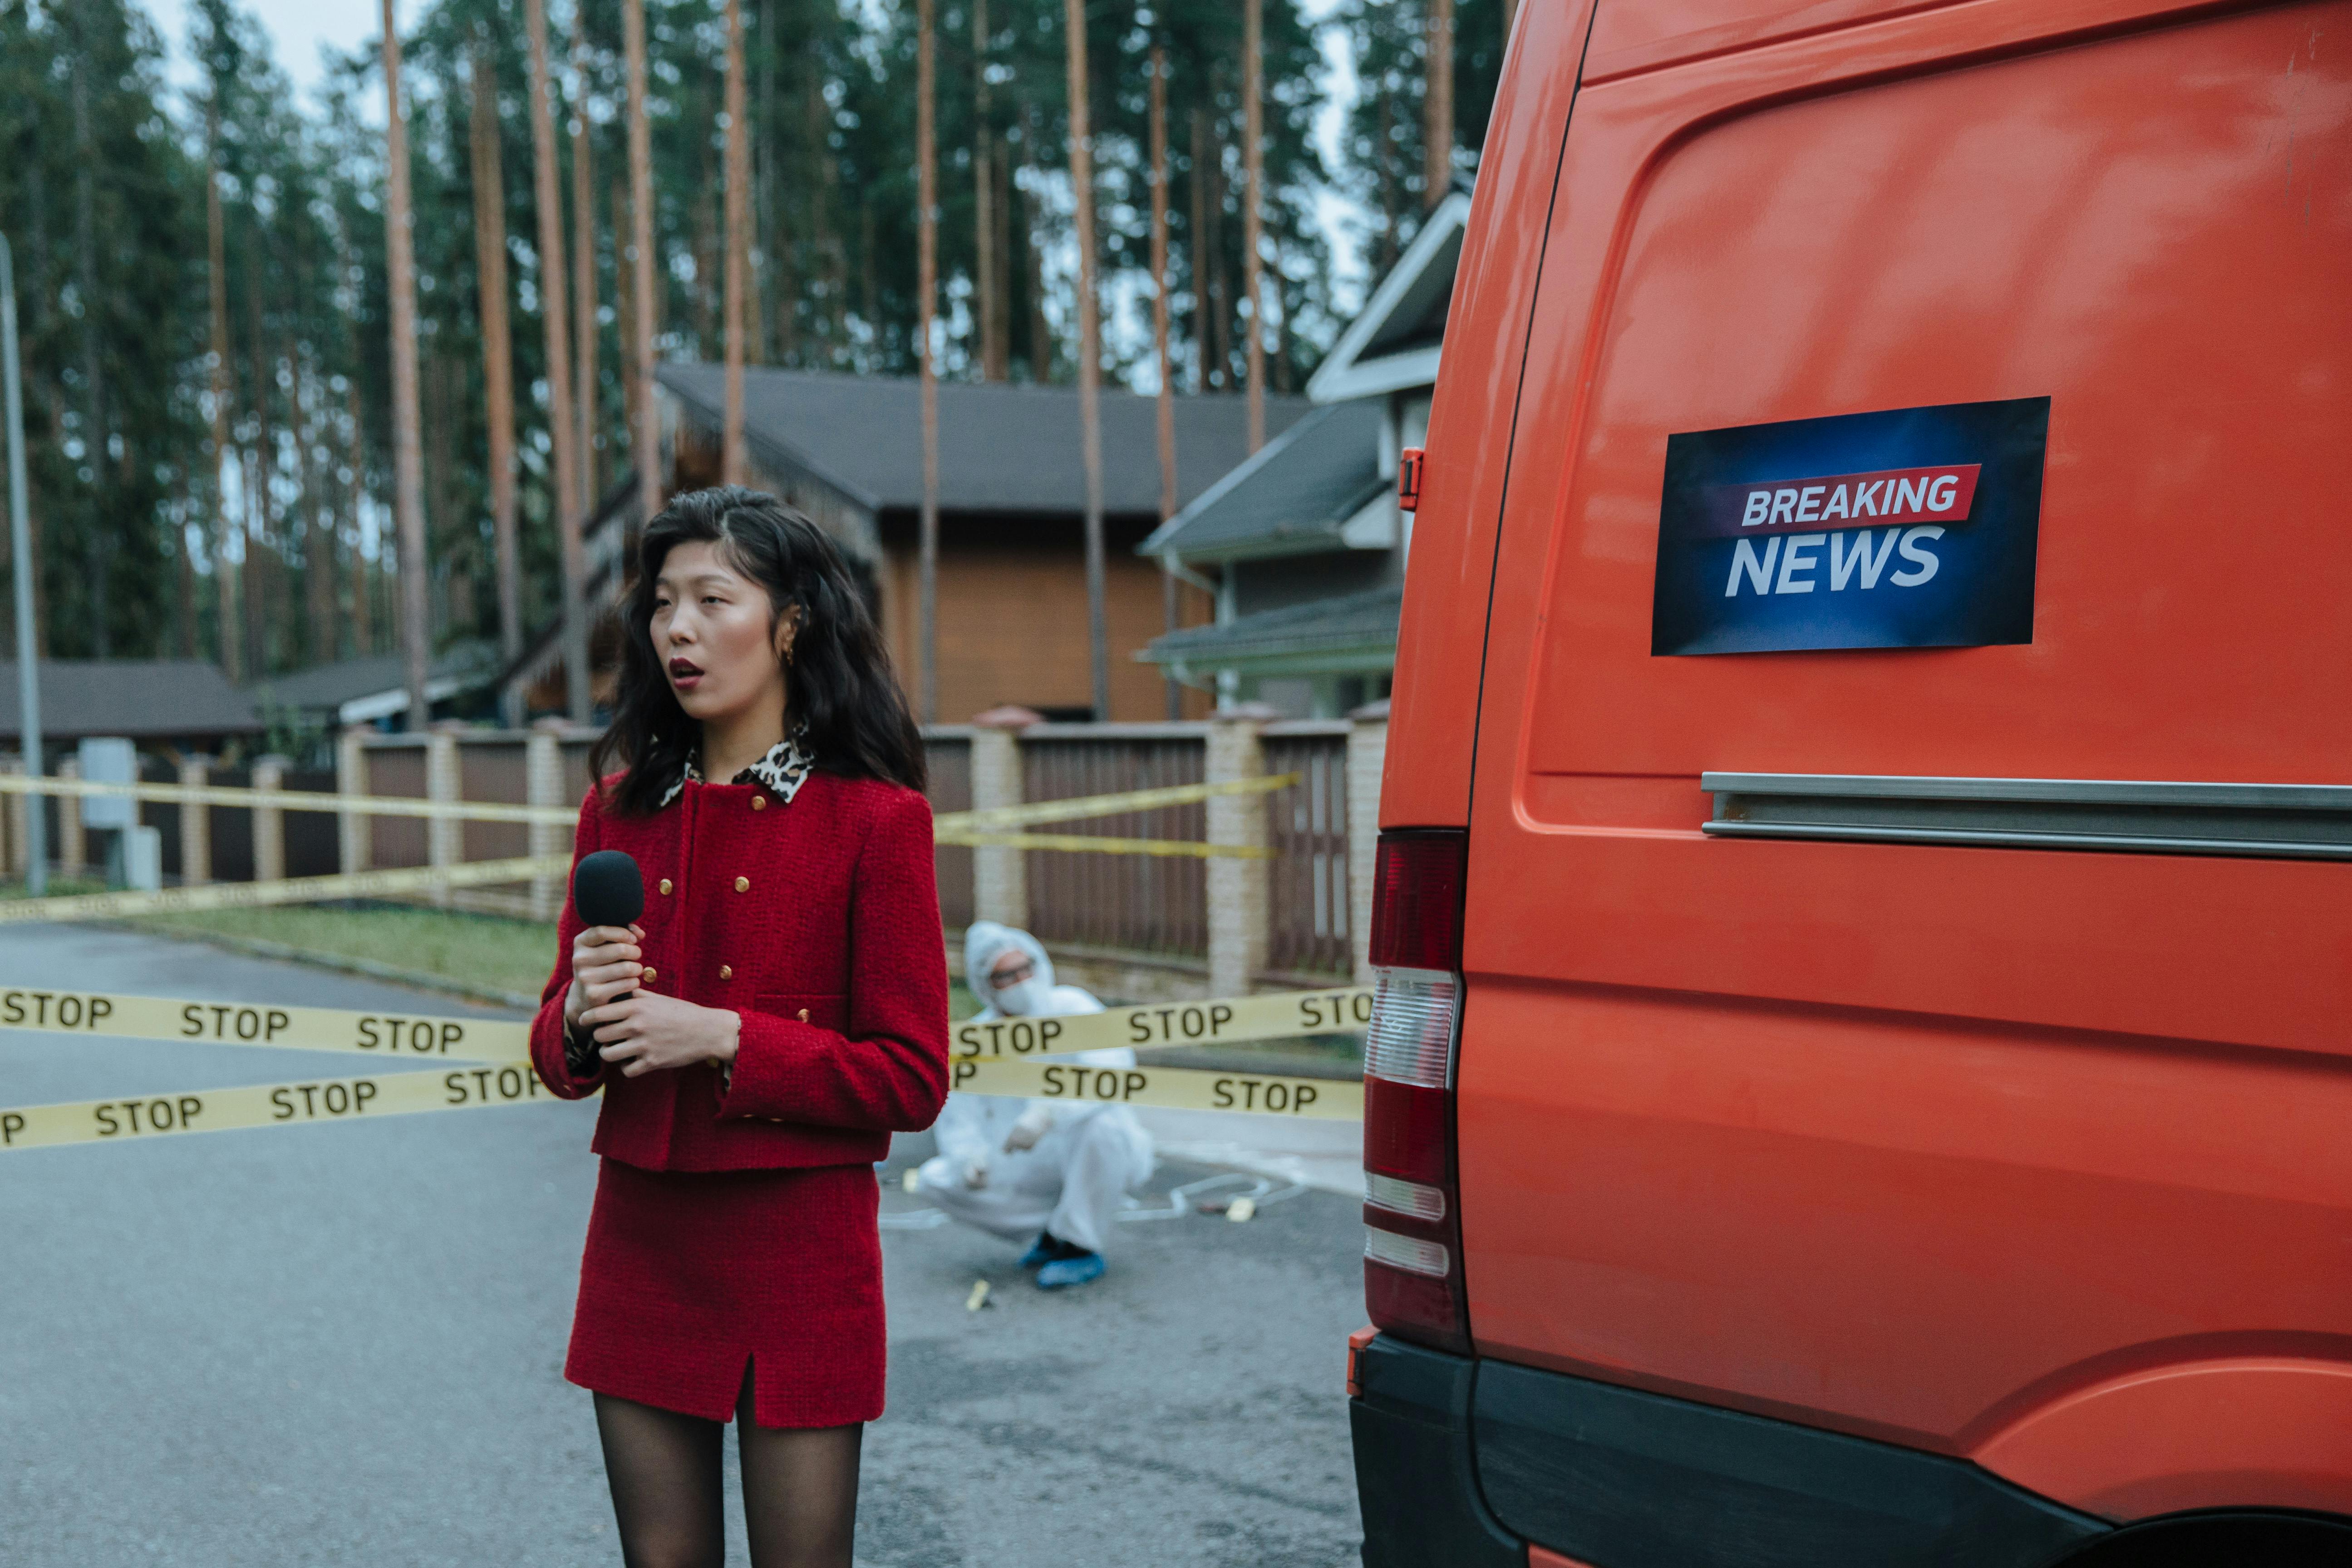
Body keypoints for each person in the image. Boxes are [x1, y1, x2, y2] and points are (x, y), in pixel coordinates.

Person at [529, 486, 949, 1568]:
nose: (678, 626)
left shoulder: (876, 819)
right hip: (643, 1241)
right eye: (664, 602)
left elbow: (910, 1077)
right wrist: (578, 1016)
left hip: (799, 1250)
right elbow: (553, 1048)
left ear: (792, 620)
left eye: (714, 597)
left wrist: (720, 1035)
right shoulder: (614, 813)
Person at [915, 922, 1155, 1289]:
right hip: (1023, 1158)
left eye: (1026, 968)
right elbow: (958, 1111)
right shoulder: (978, 1040)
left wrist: (1050, 1113)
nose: (1022, 981)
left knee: (1103, 1125)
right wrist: (969, 1157)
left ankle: (1079, 1243)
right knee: (938, 1178)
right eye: (1006, 976)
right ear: (985, 985)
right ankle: (1052, 1232)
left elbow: (1112, 1070)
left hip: (1086, 1149)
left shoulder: (1073, 1007)